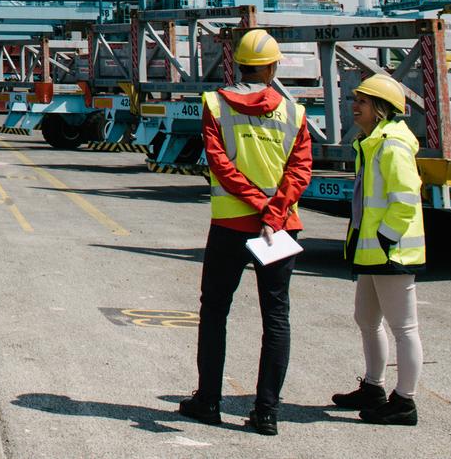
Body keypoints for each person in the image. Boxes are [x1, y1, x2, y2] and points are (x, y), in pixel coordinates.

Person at [179, 28, 312, 436]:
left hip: (231, 227)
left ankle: (209, 402)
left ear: (236, 63)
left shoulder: (215, 105)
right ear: (272, 68)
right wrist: (273, 211)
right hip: (278, 229)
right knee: (276, 318)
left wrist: (255, 204)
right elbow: (301, 169)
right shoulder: (295, 113)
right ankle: (267, 412)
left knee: (215, 311)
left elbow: (219, 164)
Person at [329, 73, 425, 426]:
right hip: (372, 251)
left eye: (363, 102)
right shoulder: (371, 142)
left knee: (403, 327)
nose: (354, 106)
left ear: (381, 109)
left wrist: (385, 237)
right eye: (355, 99)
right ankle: (373, 387)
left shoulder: (392, 144)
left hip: (391, 253)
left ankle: (405, 402)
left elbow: (405, 198)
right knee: (367, 320)